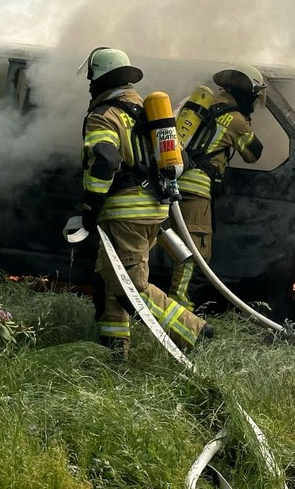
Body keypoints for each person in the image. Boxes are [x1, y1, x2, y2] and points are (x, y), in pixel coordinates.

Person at [80, 47, 210, 358]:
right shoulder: (145, 111)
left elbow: (105, 158)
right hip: (154, 210)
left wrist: (91, 204)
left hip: (126, 214)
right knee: (110, 279)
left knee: (130, 288)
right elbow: (183, 159)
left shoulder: (104, 116)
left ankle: (195, 331)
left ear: (98, 79)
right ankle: (115, 354)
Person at [167, 64, 266, 309]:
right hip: (195, 194)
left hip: (167, 187)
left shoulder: (193, 104)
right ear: (246, 92)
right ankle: (180, 316)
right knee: (196, 258)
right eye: (253, 97)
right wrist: (246, 124)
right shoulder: (235, 119)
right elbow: (254, 154)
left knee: (175, 250)